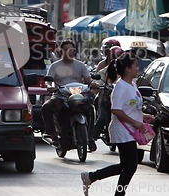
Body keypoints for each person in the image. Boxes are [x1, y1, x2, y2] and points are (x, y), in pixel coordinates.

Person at [81, 50, 155, 196]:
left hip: (130, 129)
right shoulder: (120, 87)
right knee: (130, 166)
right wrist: (136, 122)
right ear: (127, 69)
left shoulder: (132, 85)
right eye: (135, 66)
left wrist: (144, 116)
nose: (137, 69)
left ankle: (91, 177)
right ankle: (117, 193)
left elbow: (130, 107)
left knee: (125, 165)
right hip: (122, 130)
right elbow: (116, 110)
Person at [41, 39, 95, 151]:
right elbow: (49, 80)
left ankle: (90, 138)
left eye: (71, 50)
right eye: (66, 50)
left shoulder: (80, 65)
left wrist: (93, 84)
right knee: (46, 107)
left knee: (91, 109)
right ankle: (52, 134)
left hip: (78, 96)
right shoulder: (55, 66)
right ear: (61, 51)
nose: (69, 52)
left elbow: (88, 80)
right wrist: (50, 86)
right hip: (60, 96)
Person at [93, 46, 122, 141]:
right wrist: (96, 84)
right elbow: (98, 80)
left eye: (119, 57)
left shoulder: (126, 71)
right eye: (114, 57)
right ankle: (92, 139)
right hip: (106, 98)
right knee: (101, 118)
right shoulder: (105, 69)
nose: (116, 60)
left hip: (120, 100)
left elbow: (133, 81)